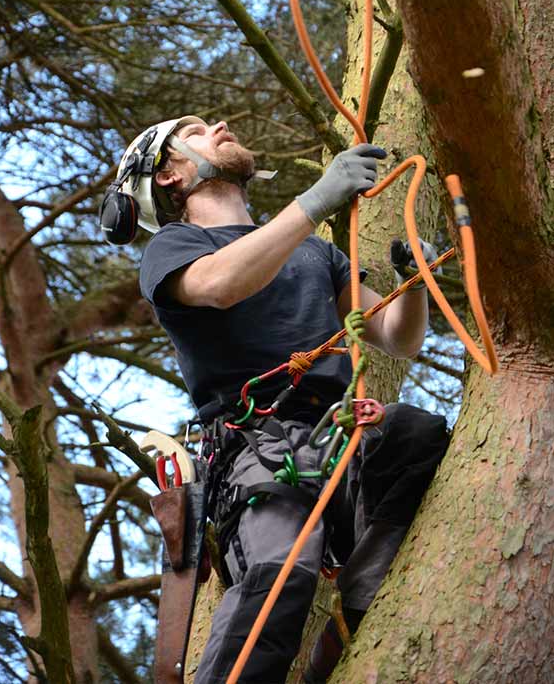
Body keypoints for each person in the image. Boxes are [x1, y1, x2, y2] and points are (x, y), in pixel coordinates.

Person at [102, 116, 449, 683]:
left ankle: (354, 611)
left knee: (415, 435)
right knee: (279, 569)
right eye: (194, 130)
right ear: (168, 175)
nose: (217, 124)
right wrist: (317, 199)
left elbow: (396, 337)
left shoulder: (314, 253)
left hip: (338, 436)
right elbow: (220, 285)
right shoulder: (174, 247)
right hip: (257, 451)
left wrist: (415, 284)